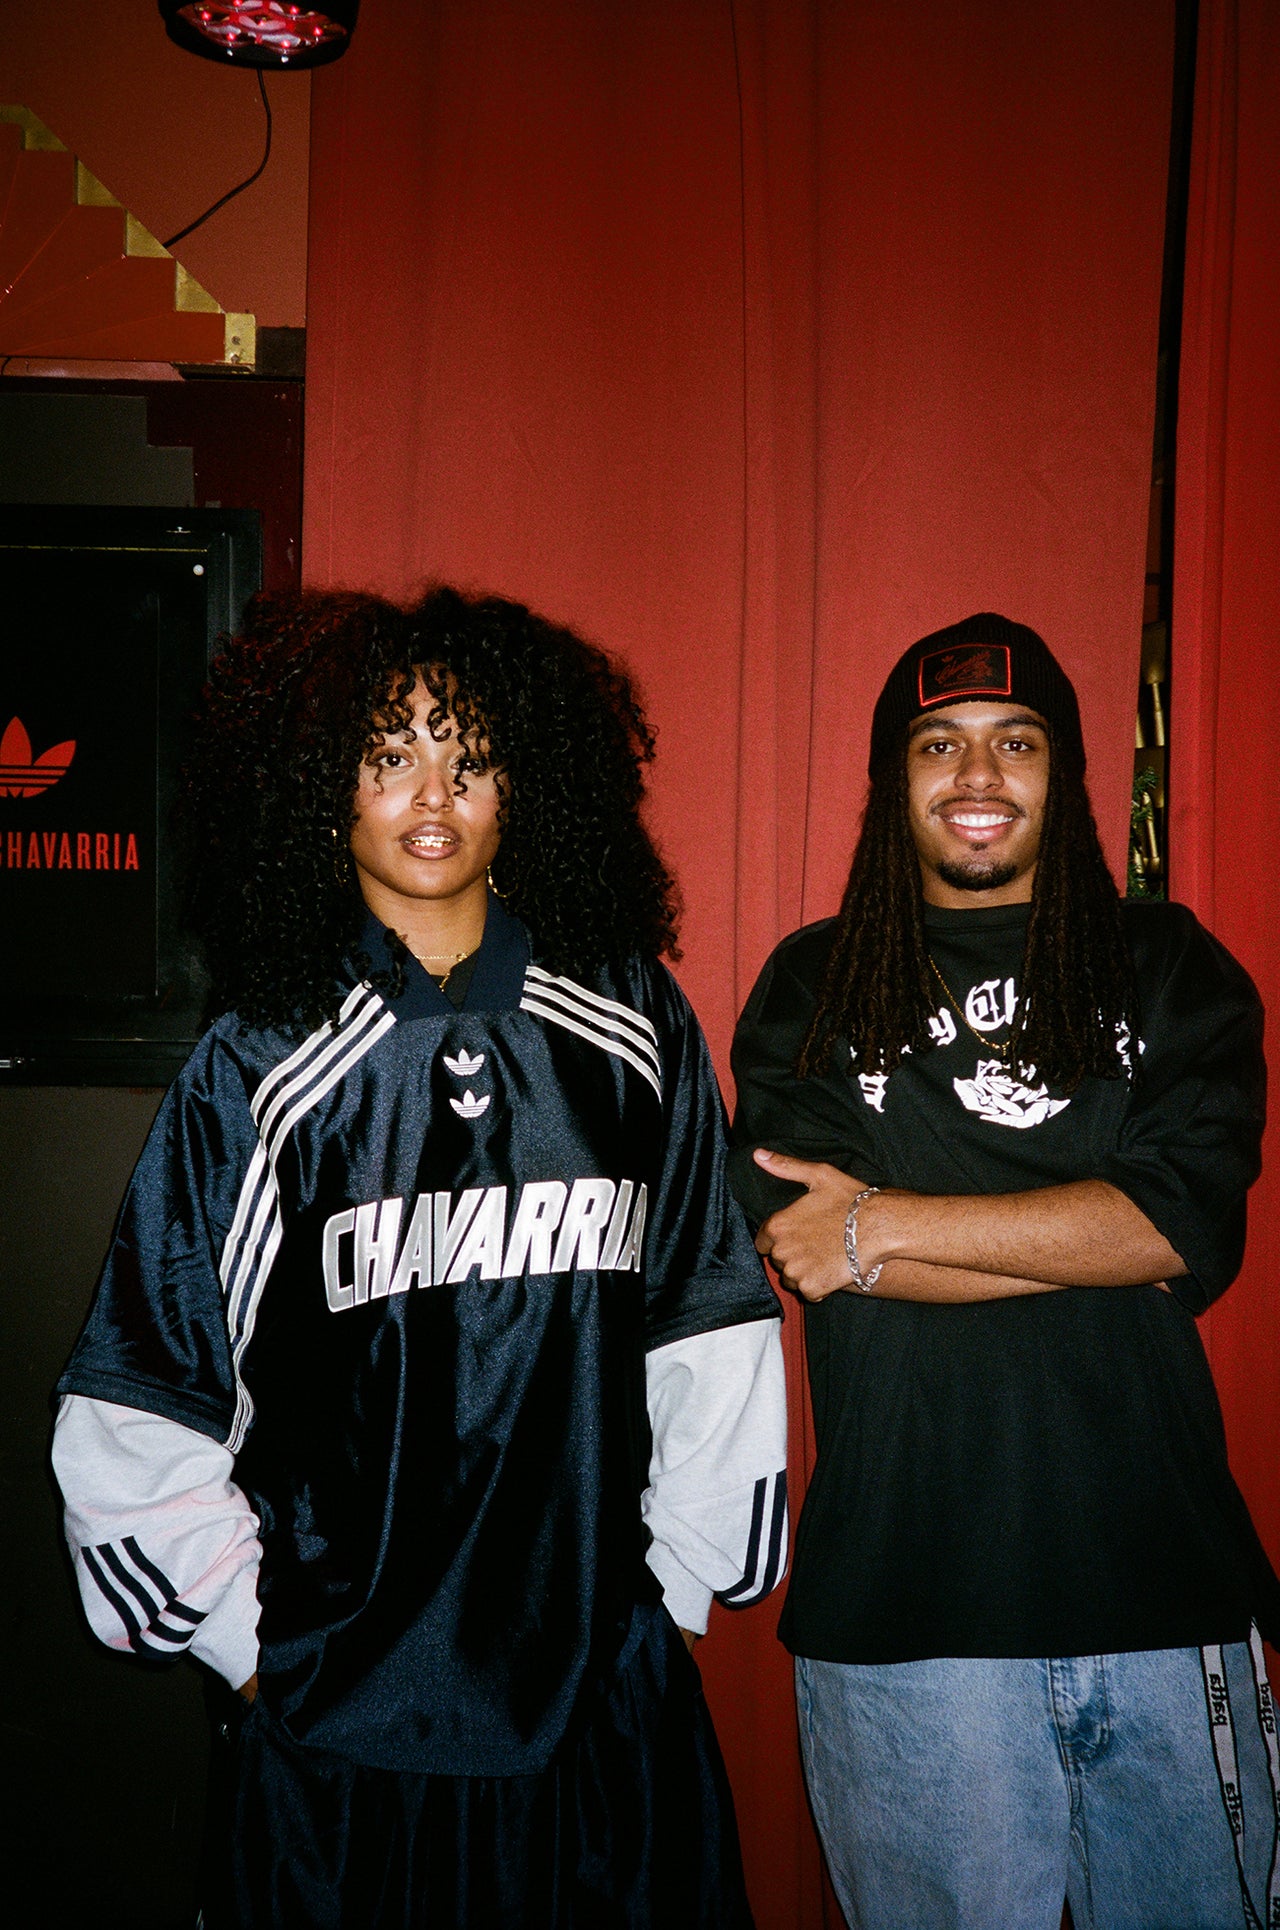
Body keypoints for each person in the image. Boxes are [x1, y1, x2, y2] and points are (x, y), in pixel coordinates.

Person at [52, 585, 787, 1930]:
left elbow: (709, 1327)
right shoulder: (260, 1064)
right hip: (343, 1745)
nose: (433, 794)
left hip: (597, 1727)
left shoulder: (630, 1025)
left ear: (527, 785)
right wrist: (264, 1660)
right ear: (322, 790)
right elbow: (136, 1401)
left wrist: (667, 1605)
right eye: (390, 754)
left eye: (472, 755)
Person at [729, 611, 1280, 1930]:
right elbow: (809, 1245)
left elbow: (1172, 1230)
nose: (977, 774)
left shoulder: (1167, 965)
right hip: (904, 1609)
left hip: (1165, 1594)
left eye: (1016, 741)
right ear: (894, 779)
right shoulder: (813, 984)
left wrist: (884, 1223)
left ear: (1064, 772)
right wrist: (1089, 1233)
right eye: (940, 745)